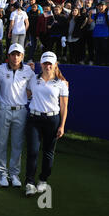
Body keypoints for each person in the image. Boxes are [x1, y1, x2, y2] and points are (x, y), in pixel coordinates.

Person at [25, 51, 69, 196]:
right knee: (32, 151)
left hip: (52, 120)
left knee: (48, 153)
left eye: (50, 63)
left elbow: (63, 106)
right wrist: (27, 71)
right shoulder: (33, 79)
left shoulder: (61, 83)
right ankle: (29, 182)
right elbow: (27, 94)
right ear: (41, 64)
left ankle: (43, 180)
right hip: (34, 118)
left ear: (55, 65)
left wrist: (62, 125)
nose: (47, 66)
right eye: (45, 63)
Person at [0, 44, 35, 188]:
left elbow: (34, 87)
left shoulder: (29, 71)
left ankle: (14, 174)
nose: (15, 57)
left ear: (22, 56)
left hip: (21, 110)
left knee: (17, 144)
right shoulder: (0, 69)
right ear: (9, 55)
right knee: (1, 142)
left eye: (18, 54)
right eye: (13, 54)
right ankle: (2, 174)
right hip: (4, 109)